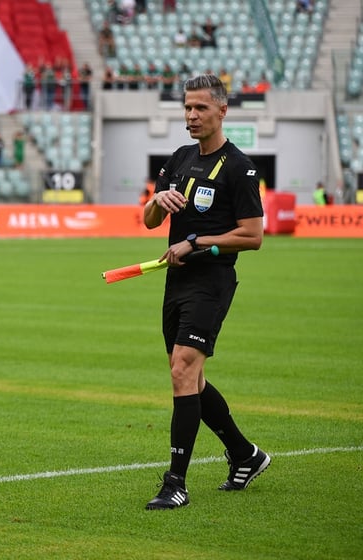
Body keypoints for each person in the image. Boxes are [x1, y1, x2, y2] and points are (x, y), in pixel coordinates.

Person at [142, 74, 270, 510]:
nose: (191, 116)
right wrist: (159, 201)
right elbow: (149, 221)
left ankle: (175, 481)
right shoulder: (178, 158)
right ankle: (244, 454)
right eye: (186, 108)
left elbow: (253, 236)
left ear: (222, 110)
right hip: (176, 280)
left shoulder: (239, 167)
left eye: (199, 108)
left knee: (181, 371)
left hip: (212, 281)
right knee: (190, 378)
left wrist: (197, 242)